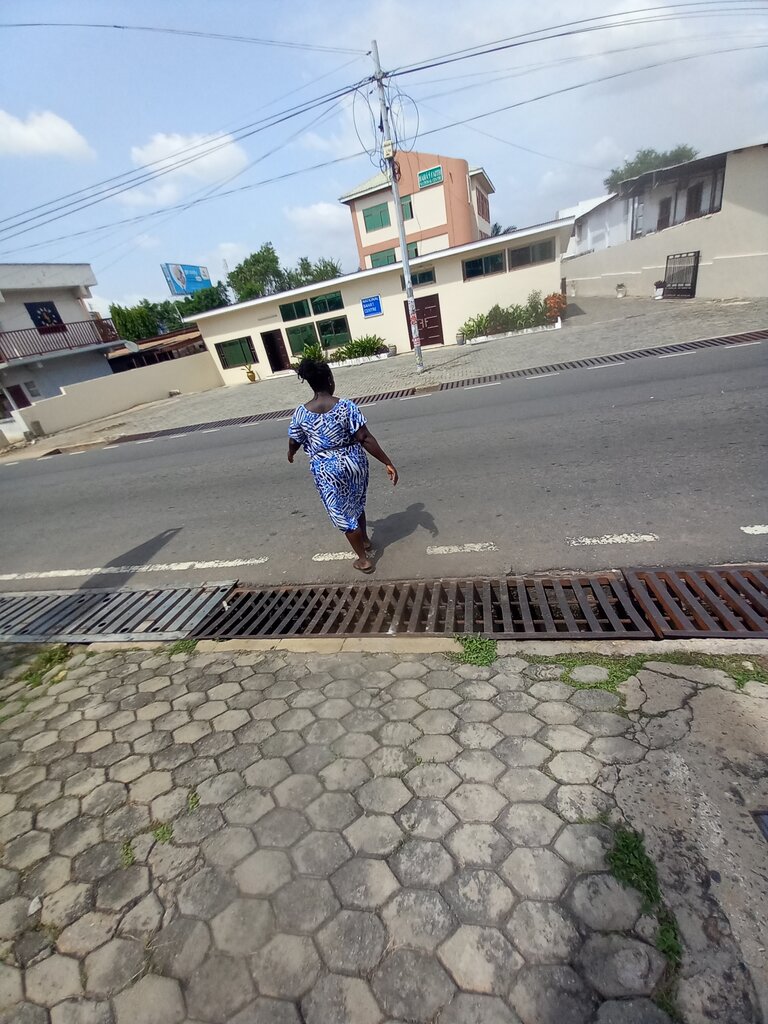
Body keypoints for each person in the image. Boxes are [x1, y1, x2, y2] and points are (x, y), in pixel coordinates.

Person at [288, 357, 398, 574]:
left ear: (310, 383)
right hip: (354, 462)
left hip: (327, 469)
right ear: (330, 379)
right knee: (356, 502)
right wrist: (387, 462)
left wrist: (290, 453)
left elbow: (294, 441)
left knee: (343, 513)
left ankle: (363, 560)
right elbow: (364, 437)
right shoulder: (346, 406)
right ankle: (365, 540)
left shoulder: (300, 413)